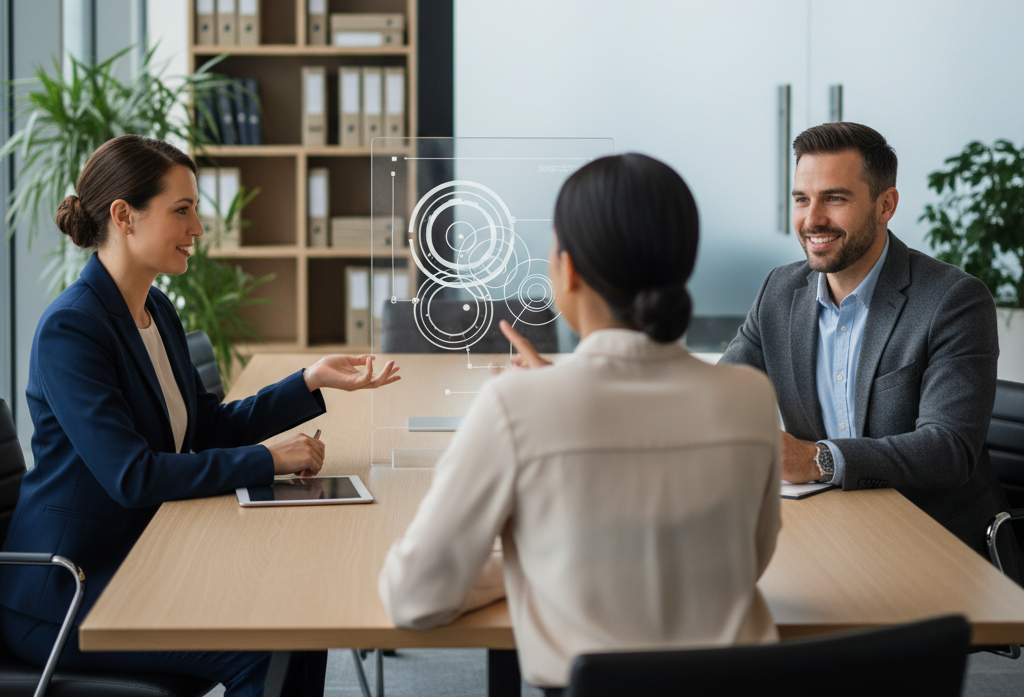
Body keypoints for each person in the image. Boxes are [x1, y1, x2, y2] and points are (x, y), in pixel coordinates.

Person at [0, 135, 401, 697]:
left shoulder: (156, 308)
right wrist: (264, 460)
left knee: (298, 625)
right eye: (182, 211)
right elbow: (132, 475)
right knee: (265, 651)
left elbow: (206, 428)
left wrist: (309, 380)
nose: (198, 229)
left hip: (144, 556)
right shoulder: (72, 329)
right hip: (69, 590)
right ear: (124, 216)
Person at [378, 153, 781, 694]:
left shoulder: (514, 406)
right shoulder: (750, 397)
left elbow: (414, 596)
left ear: (567, 269)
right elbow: (746, 563)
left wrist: (525, 564)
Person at [721, 121, 1010, 561]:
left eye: (835, 198)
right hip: (829, 532)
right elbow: (718, 395)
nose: (812, 219)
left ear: (885, 205)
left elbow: (948, 448)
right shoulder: (779, 292)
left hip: (936, 542)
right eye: (802, 199)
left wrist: (818, 459)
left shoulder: (953, 300)